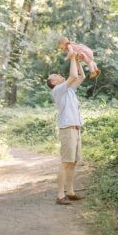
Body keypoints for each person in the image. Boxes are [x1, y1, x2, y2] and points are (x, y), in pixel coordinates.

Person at [48, 55, 87, 205]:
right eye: (56, 76)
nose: (59, 75)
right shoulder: (58, 90)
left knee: (73, 162)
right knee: (65, 162)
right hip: (67, 129)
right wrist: (71, 56)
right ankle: (60, 195)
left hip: (76, 129)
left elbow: (80, 76)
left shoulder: (69, 89)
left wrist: (77, 60)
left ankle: (70, 192)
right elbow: (72, 75)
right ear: (54, 82)